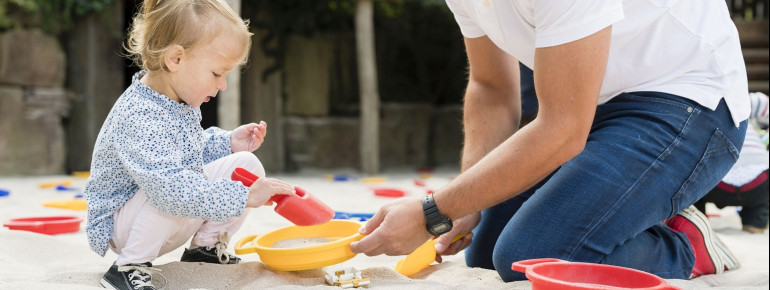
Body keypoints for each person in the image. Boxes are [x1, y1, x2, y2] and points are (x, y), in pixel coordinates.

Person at [350, 0, 750, 282]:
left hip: (691, 105)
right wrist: (462, 205)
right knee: (486, 250)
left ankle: (686, 244)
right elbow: (491, 87)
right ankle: (633, 210)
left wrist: (431, 213)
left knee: (528, 256)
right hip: (598, 108)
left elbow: (562, 129)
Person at [84, 1, 297, 289]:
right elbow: (170, 187)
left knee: (246, 166)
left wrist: (228, 143)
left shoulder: (176, 101)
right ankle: (127, 266)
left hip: (164, 207)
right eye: (216, 73)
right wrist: (243, 196)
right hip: (126, 226)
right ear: (175, 59)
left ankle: (204, 249)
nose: (222, 85)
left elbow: (188, 150)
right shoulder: (140, 114)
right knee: (173, 185)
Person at [695, 92, 769, 234]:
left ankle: (697, 221)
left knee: (692, 175)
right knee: (762, 195)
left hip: (717, 183)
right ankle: (755, 223)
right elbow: (764, 103)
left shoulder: (700, 101)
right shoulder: (741, 100)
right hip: (760, 182)